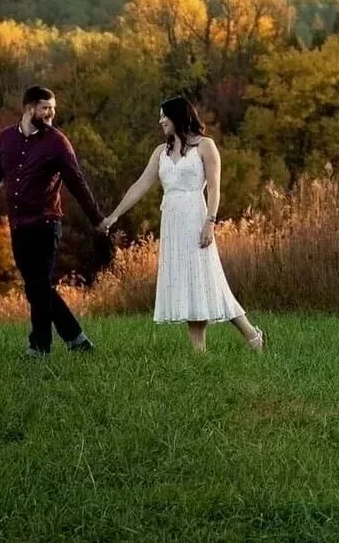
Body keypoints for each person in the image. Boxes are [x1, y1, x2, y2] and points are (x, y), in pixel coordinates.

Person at [101, 95, 265, 355]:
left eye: (164, 115)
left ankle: (252, 336)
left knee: (208, 280)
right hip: (172, 223)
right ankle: (200, 352)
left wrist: (210, 222)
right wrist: (114, 215)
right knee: (189, 283)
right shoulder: (161, 152)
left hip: (196, 219)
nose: (160, 121)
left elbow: (214, 188)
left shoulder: (206, 147)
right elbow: (140, 185)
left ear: (177, 116)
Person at [0, 85, 109, 360]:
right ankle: (76, 339)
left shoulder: (57, 142)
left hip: (46, 223)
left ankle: (39, 348)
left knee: (37, 284)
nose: (51, 114)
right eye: (46, 108)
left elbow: (77, 183)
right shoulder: (5, 140)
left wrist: (97, 219)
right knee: (37, 285)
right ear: (29, 108)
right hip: (18, 225)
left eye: (53, 109)